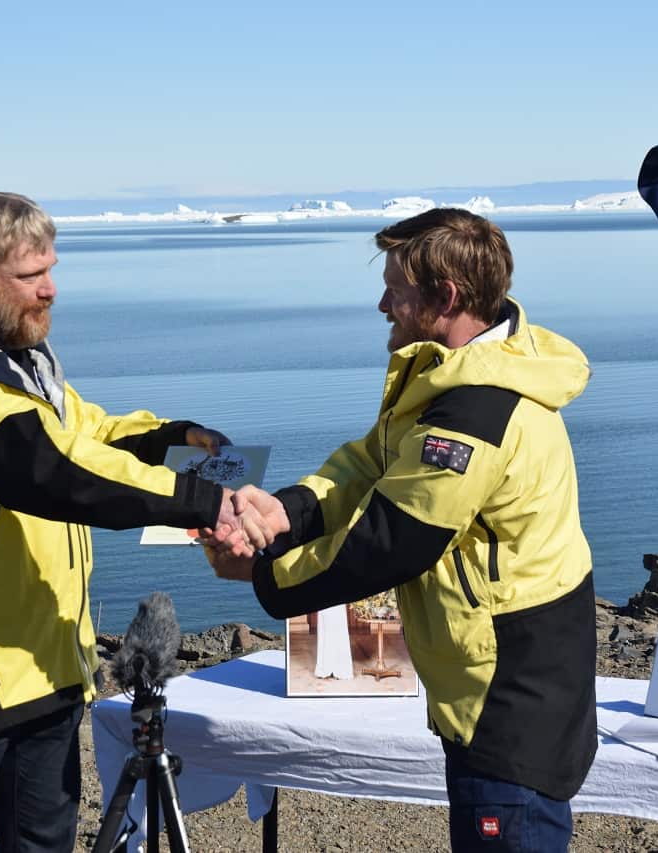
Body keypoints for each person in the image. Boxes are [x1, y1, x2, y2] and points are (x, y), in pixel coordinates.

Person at [0, 192, 265, 852]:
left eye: (52, 268)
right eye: (31, 276)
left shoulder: (18, 355)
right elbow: (50, 471)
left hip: (49, 655)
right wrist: (197, 499)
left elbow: (86, 434)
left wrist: (174, 437)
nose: (51, 290)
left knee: (44, 840)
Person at [206, 208, 598, 852]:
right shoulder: (456, 369)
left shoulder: (476, 408)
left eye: (395, 288)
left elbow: (394, 540)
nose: (383, 303)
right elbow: (374, 461)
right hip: (503, 673)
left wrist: (263, 569)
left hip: (508, 691)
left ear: (444, 296)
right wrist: (288, 511)